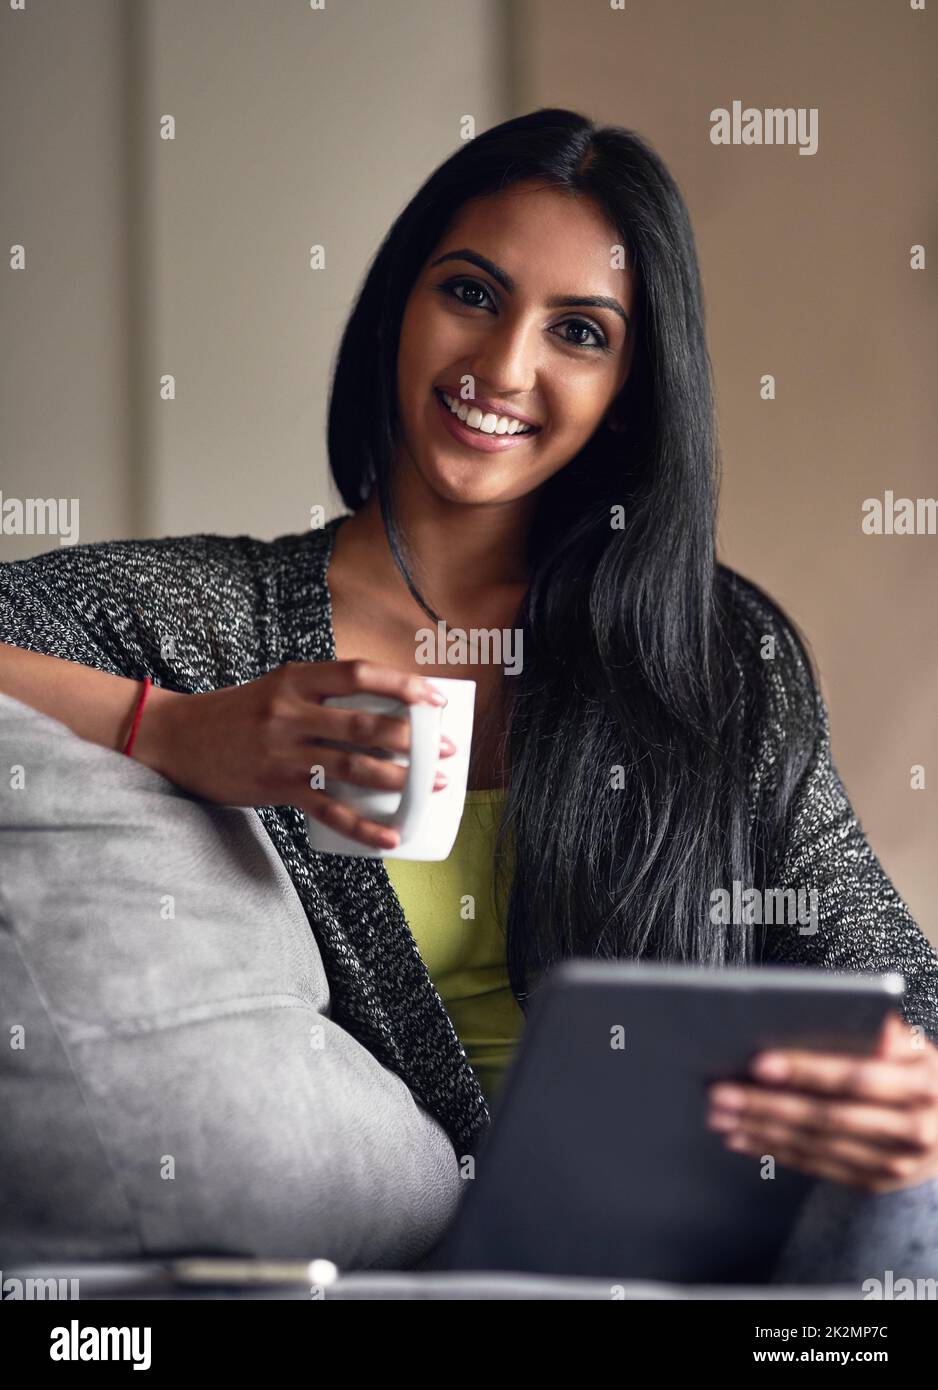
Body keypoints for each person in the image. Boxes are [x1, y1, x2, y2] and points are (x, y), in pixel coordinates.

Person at [2, 108, 937, 1283]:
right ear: (400, 299)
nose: (503, 369)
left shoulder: (710, 653)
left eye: (579, 332)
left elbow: (896, 982)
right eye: (473, 294)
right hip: (368, 1254)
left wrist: (910, 1085)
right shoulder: (196, 622)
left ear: (631, 386)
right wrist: (176, 729)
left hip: (683, 1260)